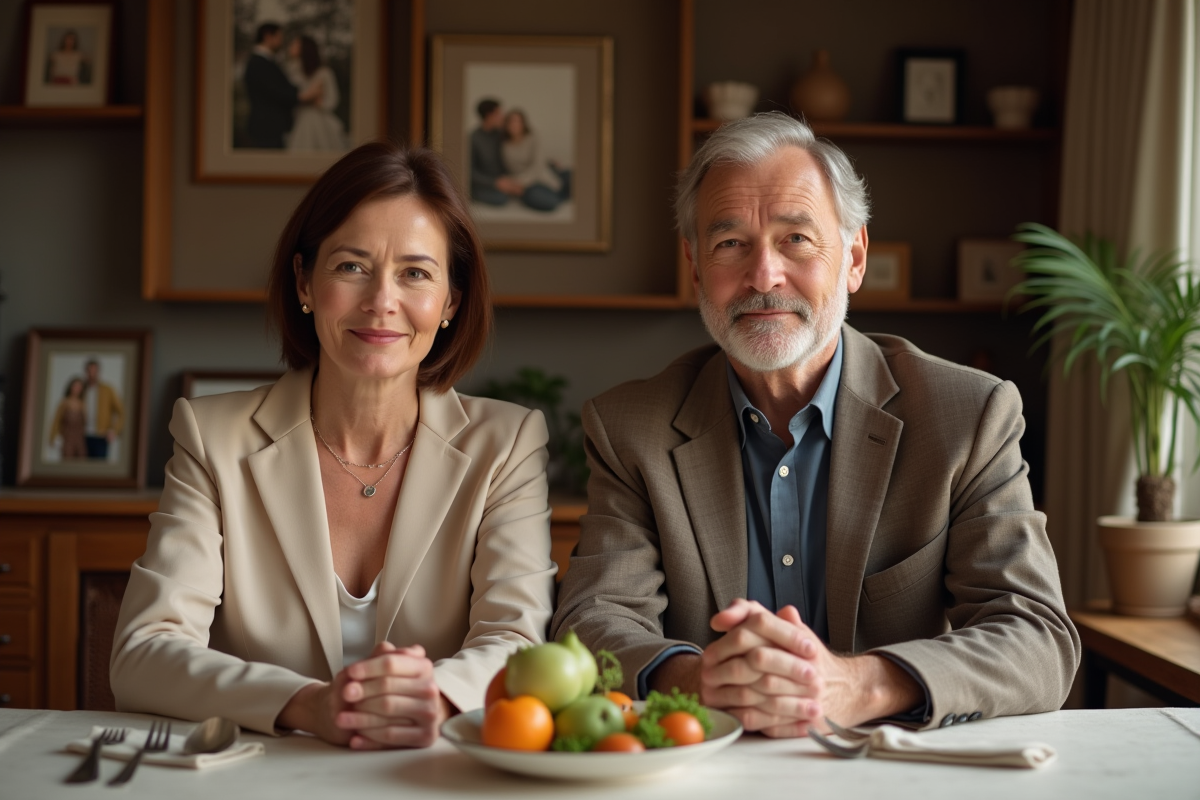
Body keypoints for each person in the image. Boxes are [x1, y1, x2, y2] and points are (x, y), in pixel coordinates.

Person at [551, 112, 1080, 736]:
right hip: (710, 763)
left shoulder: (967, 416)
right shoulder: (631, 428)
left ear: (854, 258)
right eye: (730, 244)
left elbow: (1035, 637)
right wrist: (701, 681)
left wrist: (858, 685)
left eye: (796, 239)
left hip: (894, 766)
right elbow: (592, 620)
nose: (764, 275)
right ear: (695, 268)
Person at [111, 142, 558, 749]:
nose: (381, 301)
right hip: (260, 777)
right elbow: (144, 652)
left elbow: (519, 643)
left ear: (451, 301)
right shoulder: (211, 436)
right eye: (351, 266)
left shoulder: (506, 444)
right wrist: (309, 705)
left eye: (415, 273)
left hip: (429, 773)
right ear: (304, 280)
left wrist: (427, 698)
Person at [284, 35, 349, 153]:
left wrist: (318, 102)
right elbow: (288, 97)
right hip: (298, 120)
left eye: (295, 44)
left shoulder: (324, 73)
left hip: (320, 120)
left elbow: (333, 99)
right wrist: (310, 95)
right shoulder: (291, 72)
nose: (290, 47)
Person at [243, 22, 300, 149]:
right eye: (279, 37)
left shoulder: (266, 62)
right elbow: (277, 92)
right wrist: (300, 95)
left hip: (271, 128)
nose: (281, 41)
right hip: (266, 129)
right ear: (268, 36)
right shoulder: (258, 63)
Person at [500, 109, 570, 212]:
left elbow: (538, 164)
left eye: (518, 121)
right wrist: (513, 184)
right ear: (506, 124)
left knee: (572, 176)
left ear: (523, 124)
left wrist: (521, 182)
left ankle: (560, 193)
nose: (514, 125)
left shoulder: (532, 137)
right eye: (511, 121)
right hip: (520, 181)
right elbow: (506, 168)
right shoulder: (502, 143)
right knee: (549, 202)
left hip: (537, 175)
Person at [469, 98, 523, 206]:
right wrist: (495, 182)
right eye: (499, 114)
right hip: (484, 184)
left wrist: (510, 181)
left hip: (503, 179)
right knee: (501, 198)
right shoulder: (474, 138)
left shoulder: (500, 135)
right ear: (489, 116)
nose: (502, 117)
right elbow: (471, 172)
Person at [81, 359, 123, 460]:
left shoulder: (107, 390)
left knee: (99, 466)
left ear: (98, 372)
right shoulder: (81, 389)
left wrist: (114, 430)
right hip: (82, 436)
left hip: (101, 436)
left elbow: (121, 412)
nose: (92, 374)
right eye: (89, 371)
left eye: (94, 371)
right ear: (86, 372)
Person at [49, 376, 87, 459]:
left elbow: (85, 422)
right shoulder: (64, 403)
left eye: (79, 387)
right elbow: (56, 421)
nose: (77, 389)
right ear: (70, 387)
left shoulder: (83, 404)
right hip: (67, 439)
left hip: (80, 439)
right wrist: (53, 437)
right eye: (75, 386)